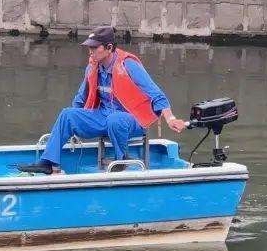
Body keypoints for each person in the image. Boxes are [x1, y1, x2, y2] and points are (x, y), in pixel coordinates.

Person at [18, 26, 187, 174]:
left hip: (132, 120)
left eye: (94, 47)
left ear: (109, 48)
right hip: (103, 116)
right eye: (89, 47)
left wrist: (170, 118)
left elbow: (157, 94)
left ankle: (121, 160)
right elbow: (80, 98)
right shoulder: (93, 66)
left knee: (115, 119)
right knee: (67, 115)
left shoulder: (129, 65)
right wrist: (74, 120)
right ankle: (48, 162)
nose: (90, 51)